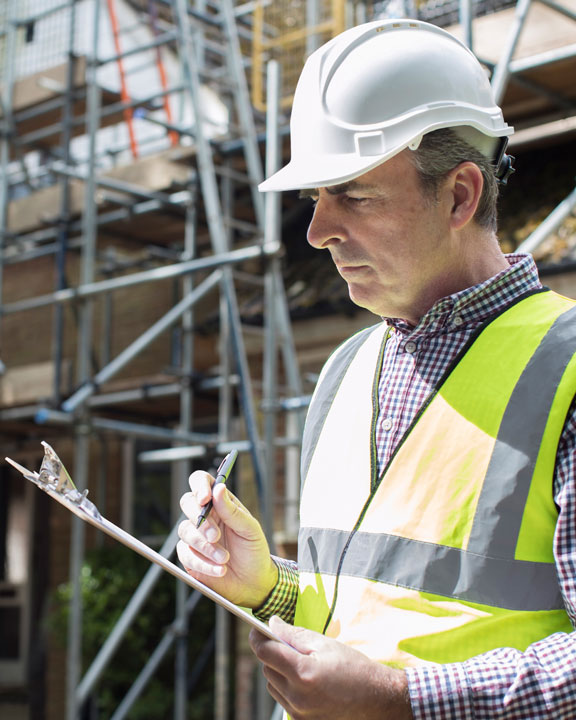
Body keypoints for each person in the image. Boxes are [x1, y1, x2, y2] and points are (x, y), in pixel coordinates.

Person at [177, 18, 576, 719]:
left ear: (459, 195)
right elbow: (364, 605)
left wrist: (403, 700)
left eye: (353, 195)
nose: (316, 231)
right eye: (314, 198)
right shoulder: (347, 368)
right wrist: (267, 585)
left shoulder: (567, 368)